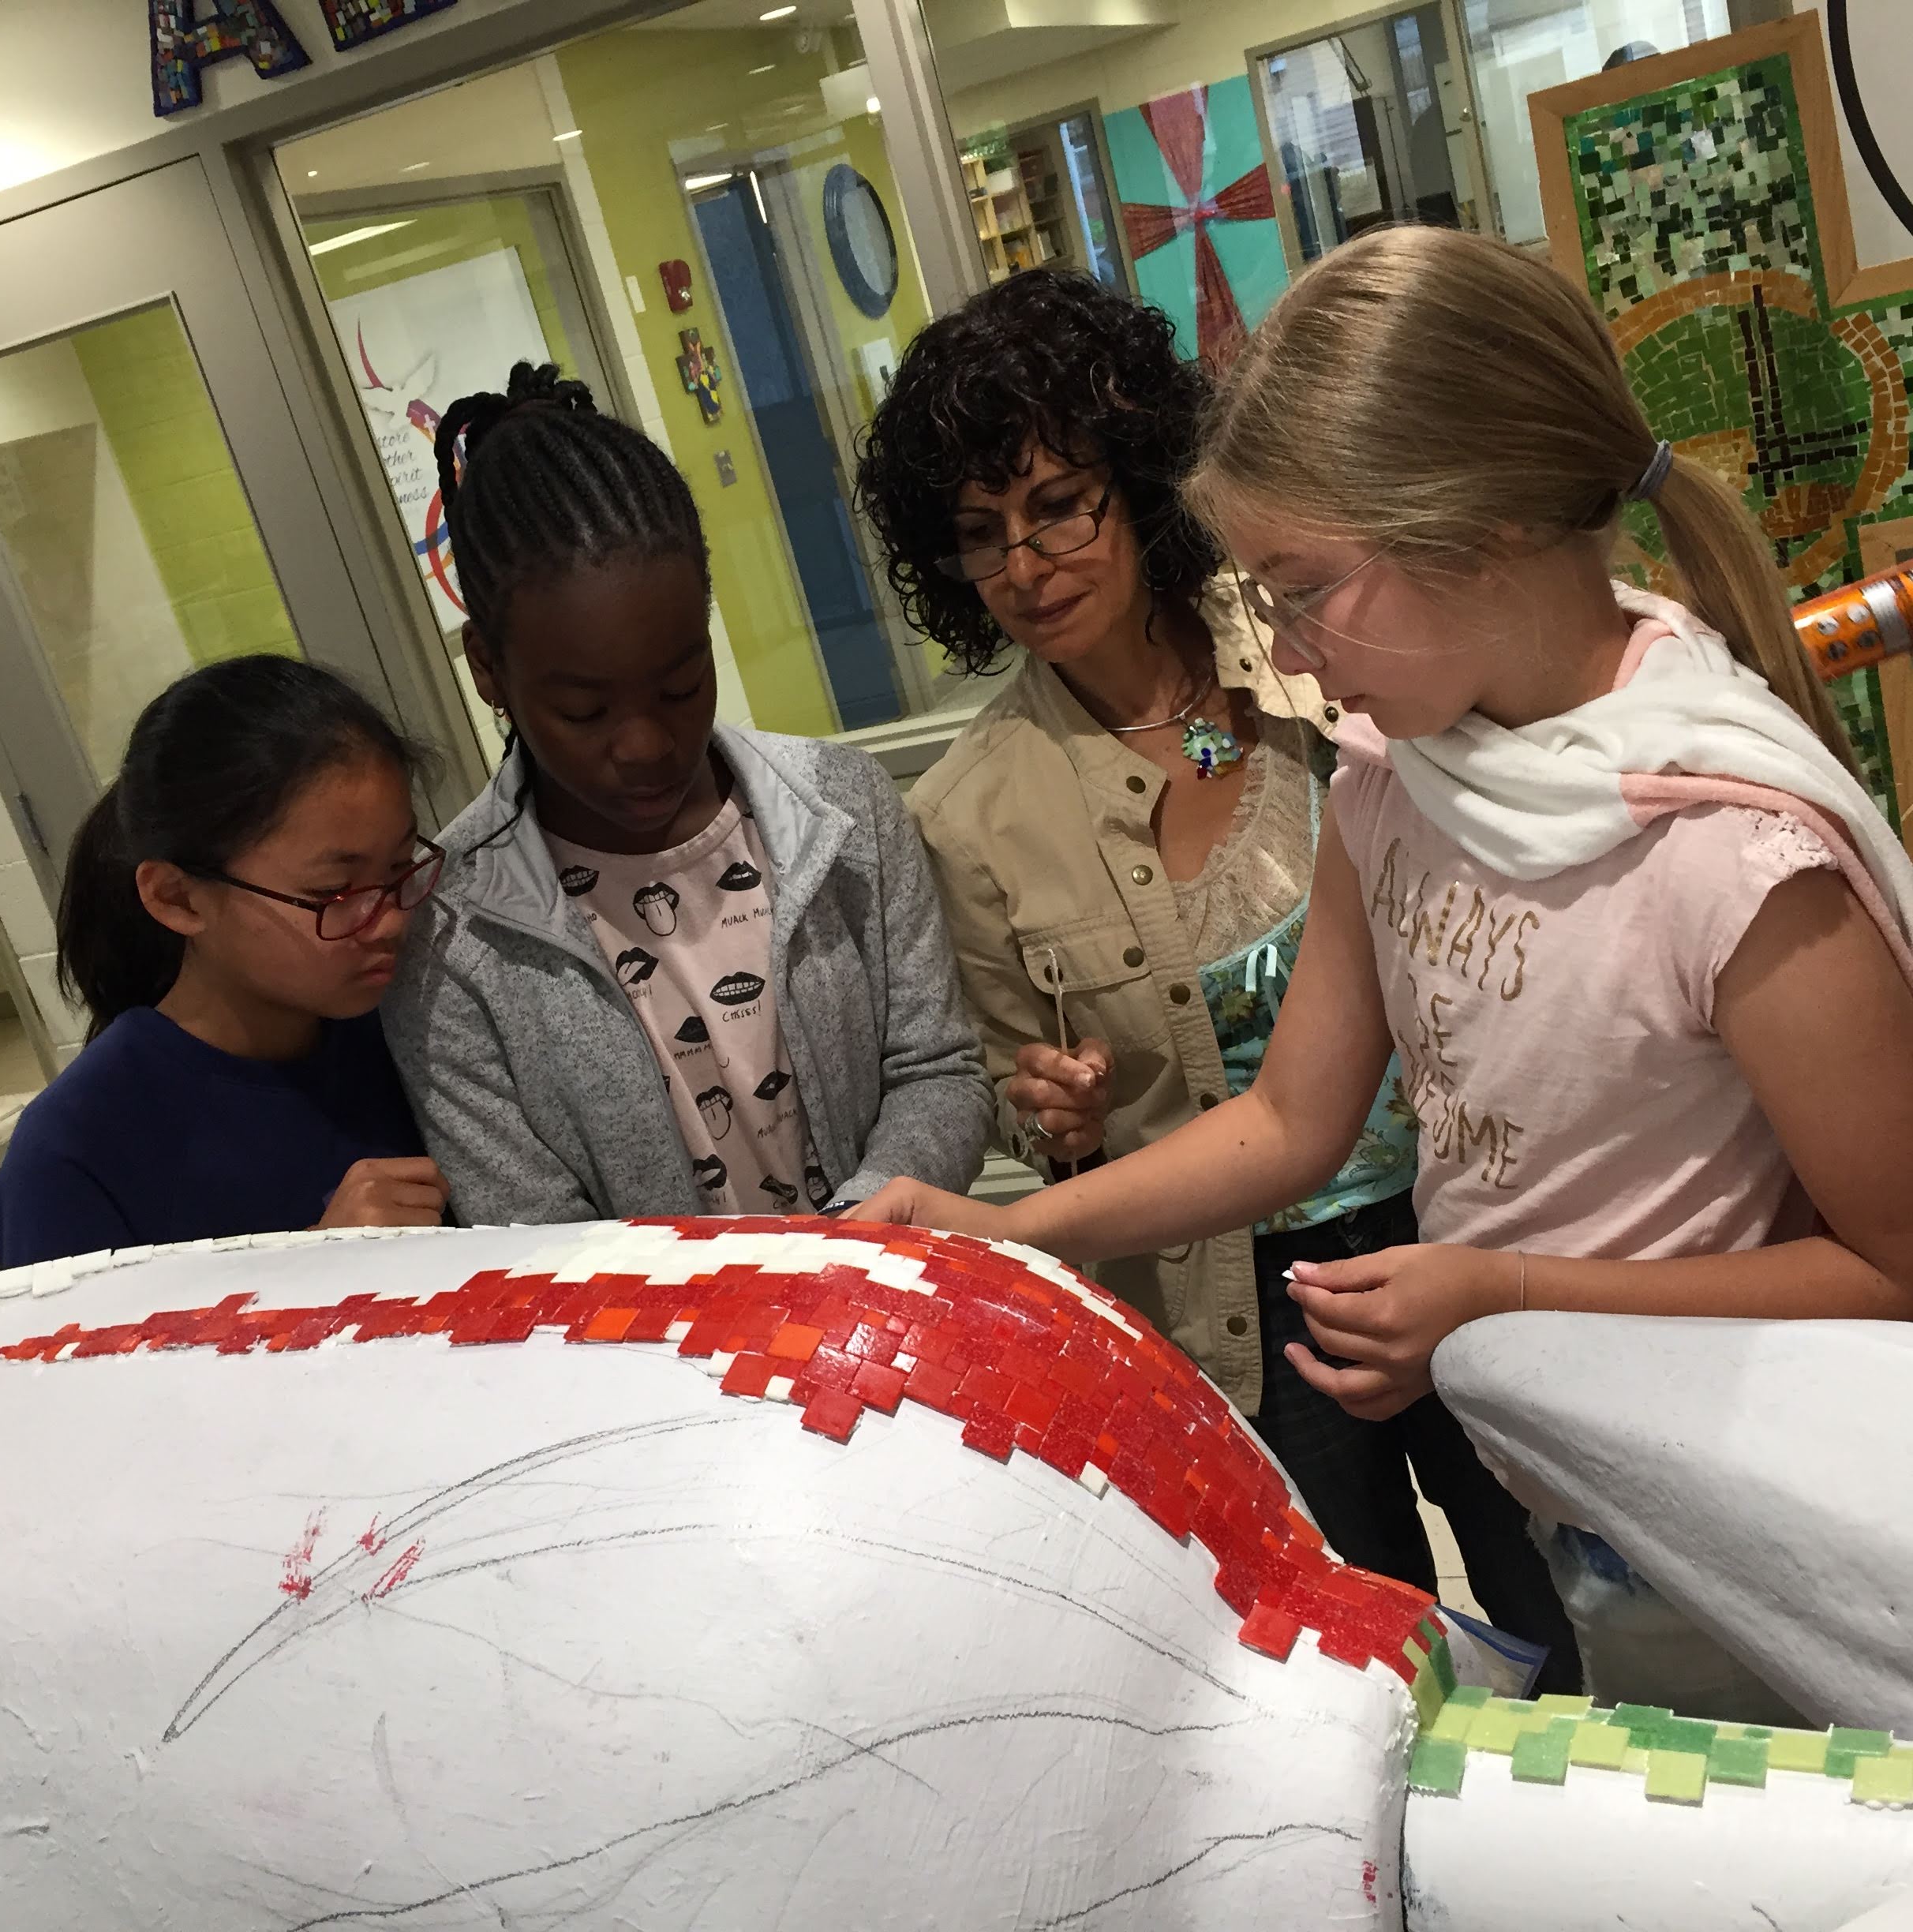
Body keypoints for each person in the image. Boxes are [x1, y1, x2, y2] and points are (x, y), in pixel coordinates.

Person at [851, 227, 1913, 1720]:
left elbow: (1892, 1266)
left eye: (1301, 590)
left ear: (1475, 526)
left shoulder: (1729, 855)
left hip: (1736, 1509)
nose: (1284, 653)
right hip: (1560, 1472)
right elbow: (1292, 1116)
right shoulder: (1391, 777)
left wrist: (1496, 1292)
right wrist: (1012, 1230)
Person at [854, 268, 1578, 1679]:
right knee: (1370, 1653)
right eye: (980, 535)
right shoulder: (971, 814)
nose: (1026, 563)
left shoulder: (1309, 663)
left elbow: (1264, 783)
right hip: (1239, 1297)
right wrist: (1052, 1112)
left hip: (1461, 1211)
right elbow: (1024, 1101)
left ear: (1137, 482)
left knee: (1557, 1580)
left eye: (1059, 504)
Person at [382, 362, 990, 1225]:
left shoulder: (842, 808)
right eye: (585, 711)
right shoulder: (451, 936)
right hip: (649, 1322)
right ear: (488, 668)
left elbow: (937, 1071)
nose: (646, 745)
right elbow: (531, 1233)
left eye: (679, 686)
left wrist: (857, 1243)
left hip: (877, 1290)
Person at [0, 657, 444, 1266]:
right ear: (178, 899)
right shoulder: (73, 1156)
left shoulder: (416, 1022)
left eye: (398, 868)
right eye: (332, 893)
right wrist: (317, 1263)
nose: (388, 920)